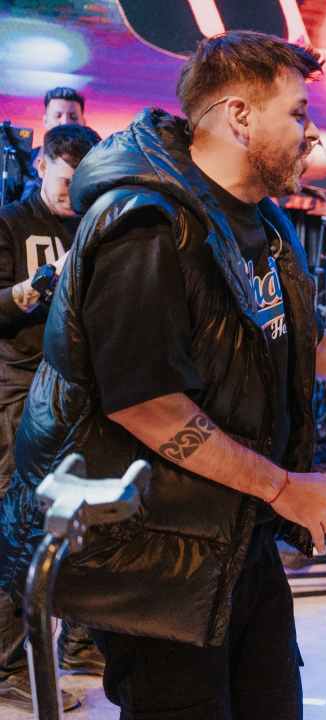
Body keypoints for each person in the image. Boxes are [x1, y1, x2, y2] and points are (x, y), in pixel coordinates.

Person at [0, 31, 326, 719]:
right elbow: (147, 406)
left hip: (236, 534)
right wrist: (284, 487)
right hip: (154, 560)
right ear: (239, 115)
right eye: (297, 113)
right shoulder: (142, 226)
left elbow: (307, 345)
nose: (311, 133)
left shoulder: (261, 221)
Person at [0, 123, 103, 713]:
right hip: (19, 391)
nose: (72, 193)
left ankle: (83, 645)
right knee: (15, 524)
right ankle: (11, 666)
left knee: (87, 519)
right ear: (41, 165)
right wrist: (38, 285)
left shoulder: (93, 224)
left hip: (80, 392)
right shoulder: (10, 224)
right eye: (65, 181)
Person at [19, 87, 88, 203]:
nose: (65, 122)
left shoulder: (92, 163)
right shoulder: (23, 161)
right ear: (45, 121)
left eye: (73, 117)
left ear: (83, 122)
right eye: (58, 116)